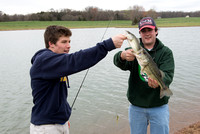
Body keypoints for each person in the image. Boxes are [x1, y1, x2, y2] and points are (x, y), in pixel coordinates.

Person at [30, 25, 126, 134]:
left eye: (69, 42)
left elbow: (56, 95)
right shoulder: (44, 61)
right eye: (64, 42)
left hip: (60, 122)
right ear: (51, 43)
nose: (68, 46)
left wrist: (64, 117)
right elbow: (75, 60)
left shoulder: (54, 62)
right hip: (46, 127)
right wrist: (107, 45)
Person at [113, 17, 175, 134]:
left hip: (159, 106)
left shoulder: (166, 52)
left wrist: (160, 83)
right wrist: (122, 55)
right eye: (143, 31)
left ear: (156, 31)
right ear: (140, 33)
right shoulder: (134, 51)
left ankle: (163, 90)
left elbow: (168, 75)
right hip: (136, 107)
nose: (147, 34)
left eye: (149, 30)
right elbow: (118, 62)